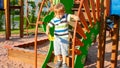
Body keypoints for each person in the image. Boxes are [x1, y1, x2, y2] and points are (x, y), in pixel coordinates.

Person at [46, 3, 79, 68]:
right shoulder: (54, 19)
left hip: (64, 37)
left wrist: (74, 16)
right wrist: (47, 30)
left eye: (61, 13)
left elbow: (70, 15)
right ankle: (59, 60)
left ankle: (64, 63)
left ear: (64, 12)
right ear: (55, 13)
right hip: (57, 38)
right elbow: (48, 25)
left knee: (64, 50)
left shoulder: (65, 16)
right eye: (58, 14)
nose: (60, 16)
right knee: (57, 50)